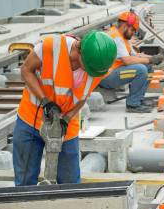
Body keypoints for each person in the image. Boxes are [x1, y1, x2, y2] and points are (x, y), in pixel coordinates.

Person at [13, 31, 117, 185]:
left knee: (70, 182)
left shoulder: (98, 66)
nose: (89, 73)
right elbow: (26, 70)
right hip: (32, 119)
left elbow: (83, 97)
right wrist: (46, 102)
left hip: (66, 125)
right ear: (79, 51)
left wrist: (67, 118)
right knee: (25, 180)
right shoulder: (50, 47)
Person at [99, 12, 164, 113]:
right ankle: (133, 104)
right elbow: (128, 60)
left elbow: (135, 55)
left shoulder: (122, 37)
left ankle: (138, 98)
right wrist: (150, 60)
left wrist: (153, 58)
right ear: (125, 26)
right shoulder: (116, 37)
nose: (133, 33)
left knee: (148, 67)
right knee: (141, 70)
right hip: (107, 76)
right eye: (132, 30)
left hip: (115, 72)